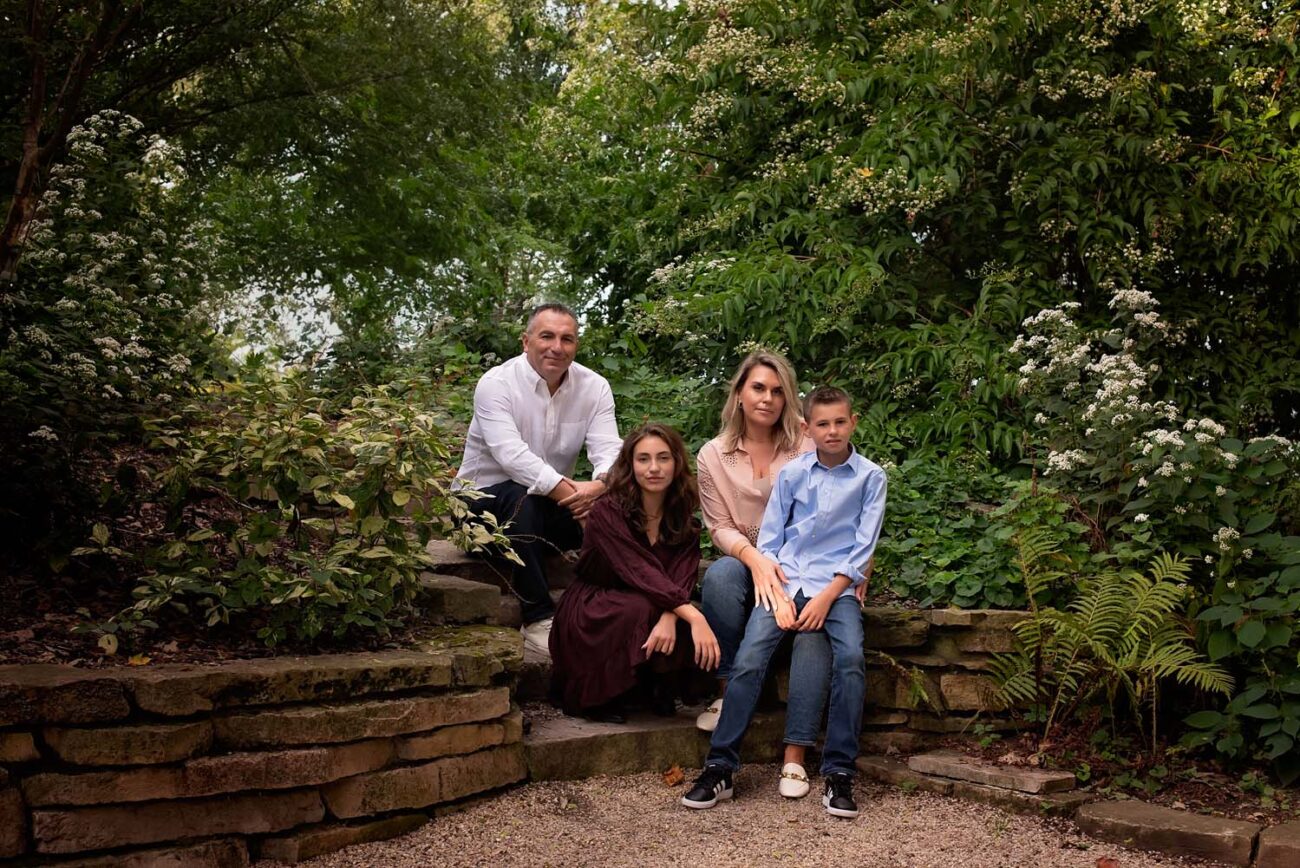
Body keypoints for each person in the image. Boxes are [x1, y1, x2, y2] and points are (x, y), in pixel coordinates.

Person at [683, 386, 886, 819]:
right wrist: (778, 594)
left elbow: (862, 548)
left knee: (850, 657)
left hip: (837, 589)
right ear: (807, 429)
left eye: (840, 422)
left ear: (853, 422)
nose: (832, 431)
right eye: (822, 423)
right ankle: (720, 767)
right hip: (787, 581)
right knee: (751, 657)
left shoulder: (871, 477)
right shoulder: (793, 474)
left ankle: (839, 772)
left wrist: (827, 597)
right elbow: (772, 539)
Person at [694, 349, 831, 799]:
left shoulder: (807, 446)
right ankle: (726, 684)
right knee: (720, 576)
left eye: (777, 391)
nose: (767, 398)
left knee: (815, 633)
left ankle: (796, 754)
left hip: (803, 566)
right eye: (757, 387)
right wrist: (757, 560)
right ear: (738, 394)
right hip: (749, 561)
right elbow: (718, 526)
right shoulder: (713, 454)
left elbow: (834, 512)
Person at [455, 303, 622, 658]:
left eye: (567, 339)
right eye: (546, 336)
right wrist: (573, 495)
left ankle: (615, 606)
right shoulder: (496, 384)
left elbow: (609, 451)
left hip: (546, 510)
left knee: (618, 504)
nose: (556, 347)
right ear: (525, 341)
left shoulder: (595, 387)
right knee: (523, 496)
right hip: (478, 511)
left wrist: (599, 487)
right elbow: (512, 457)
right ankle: (537, 618)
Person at [550, 423, 721, 722]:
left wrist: (672, 615)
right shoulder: (606, 511)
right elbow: (638, 571)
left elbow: (681, 575)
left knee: (671, 614)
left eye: (663, 458)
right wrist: (692, 615)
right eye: (643, 459)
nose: (654, 468)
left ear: (677, 462)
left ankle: (650, 686)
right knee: (649, 609)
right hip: (595, 605)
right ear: (630, 465)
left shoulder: (683, 517)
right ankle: (599, 696)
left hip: (655, 600)